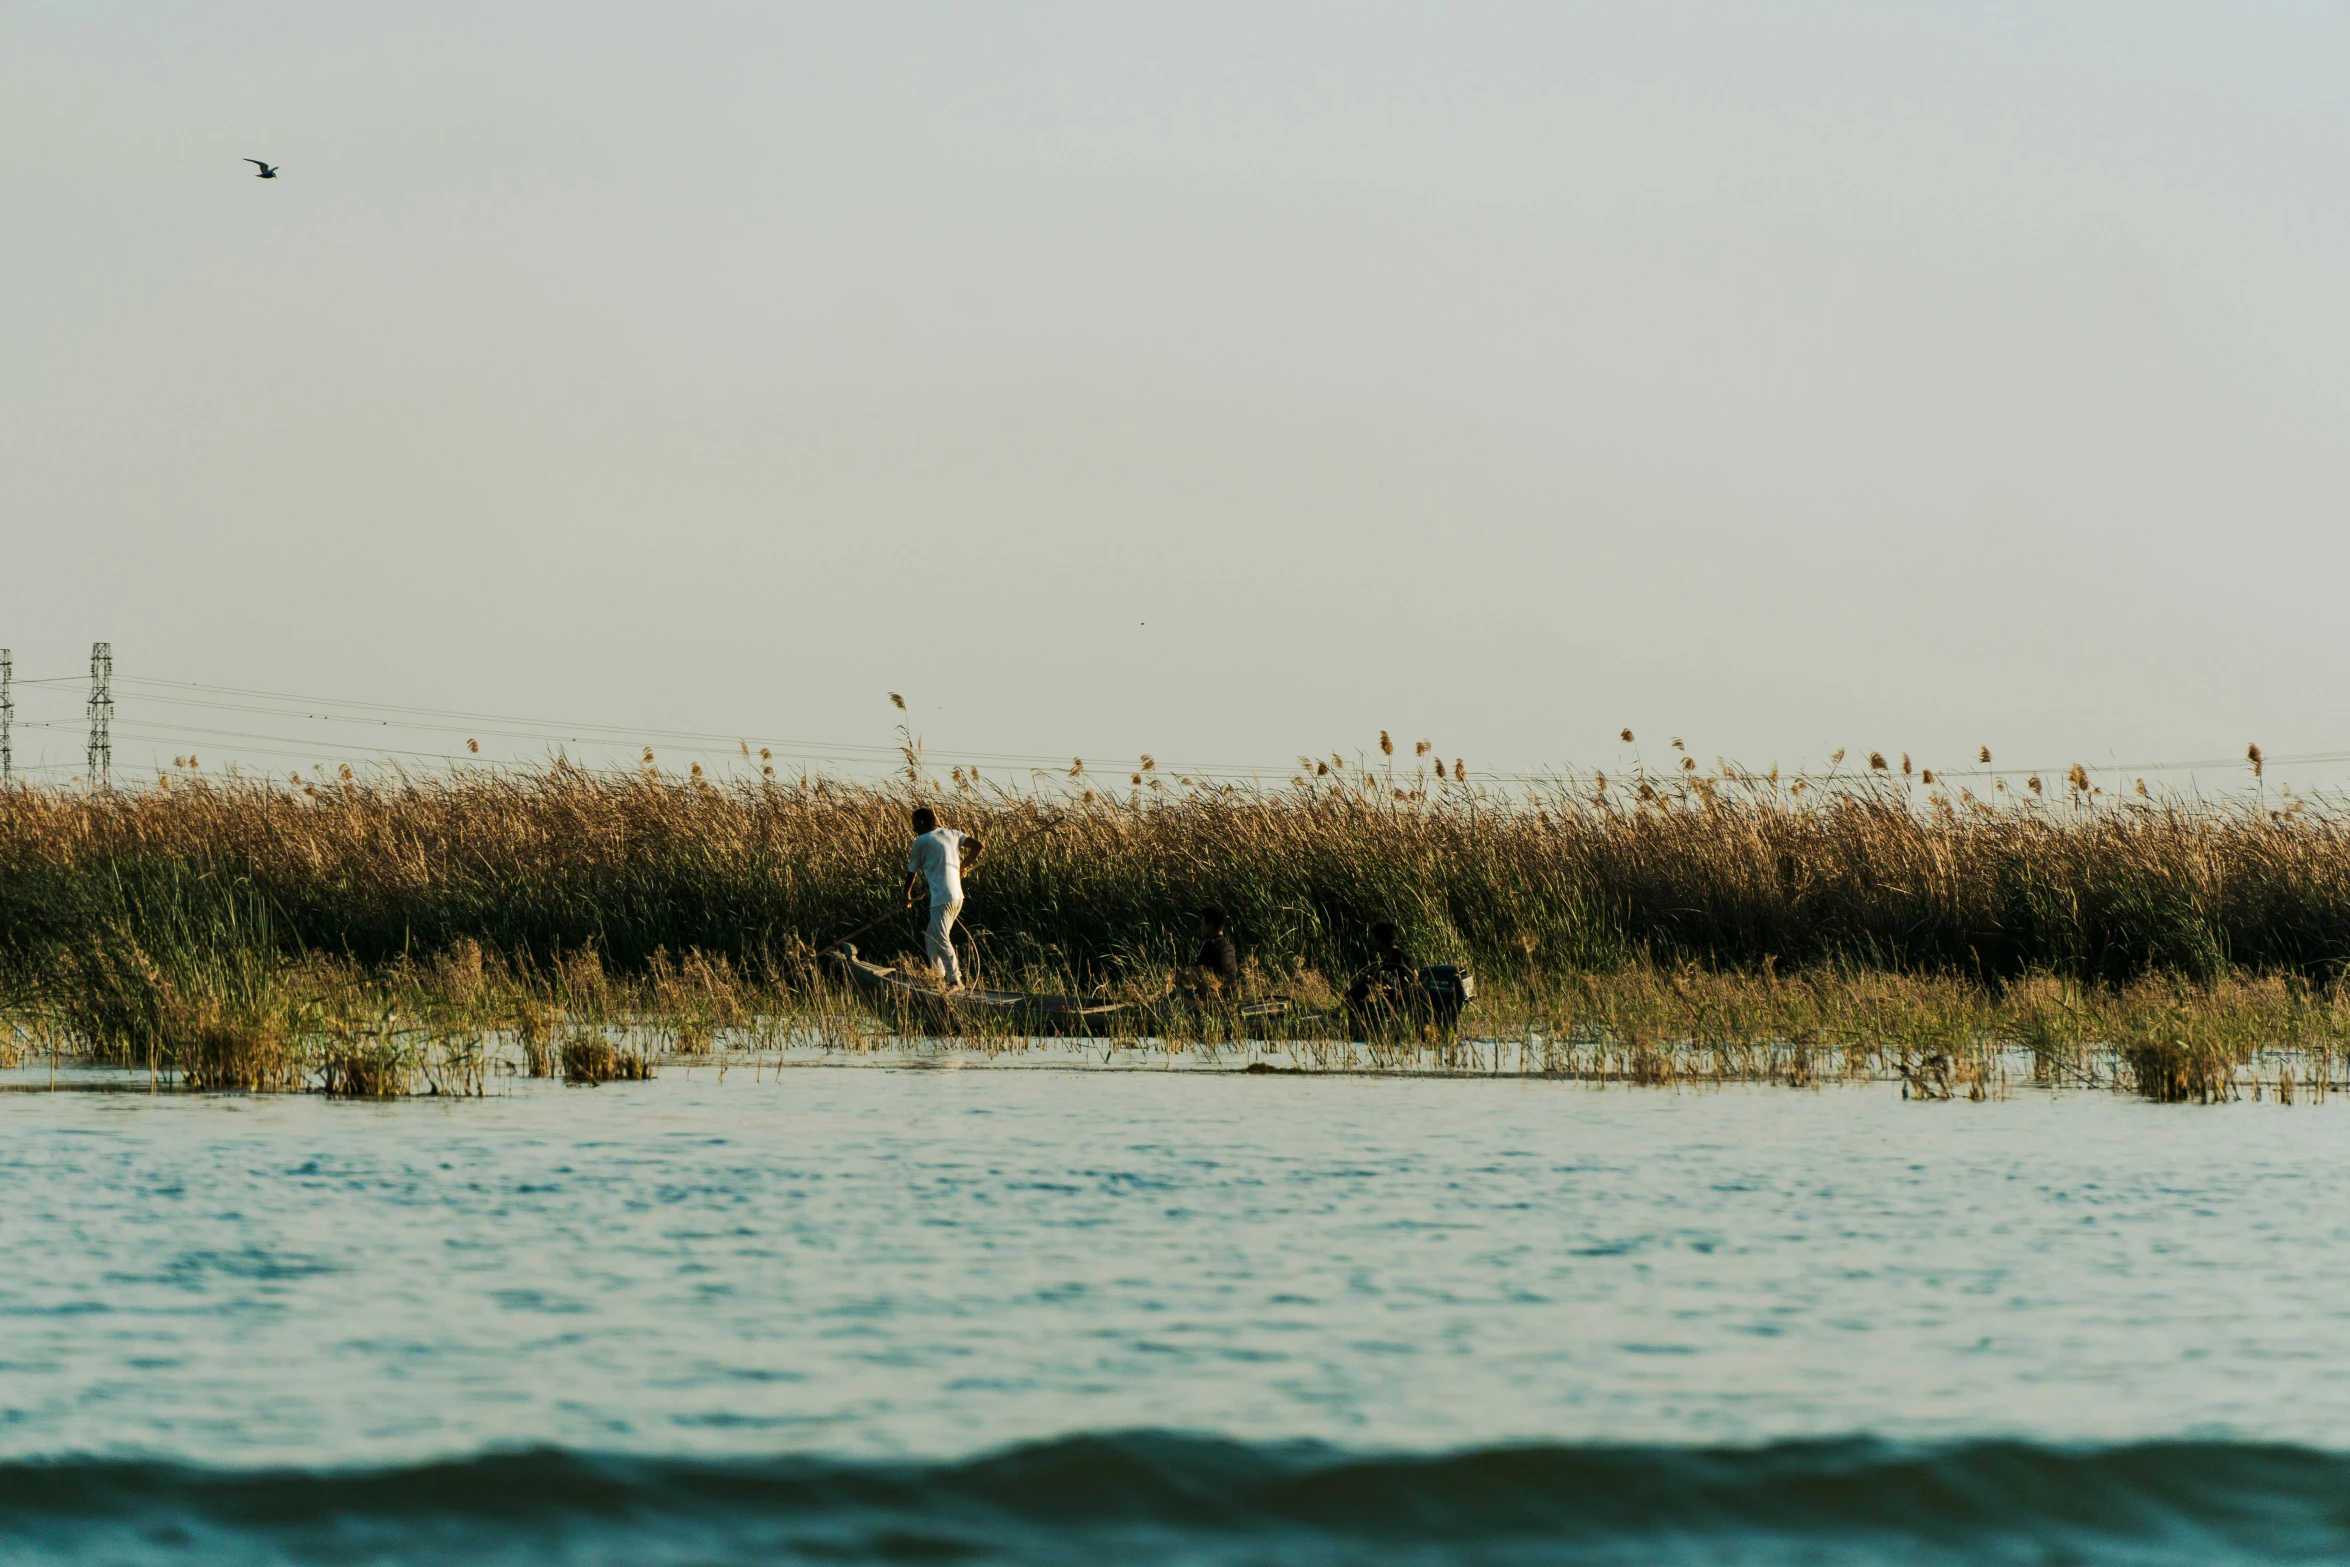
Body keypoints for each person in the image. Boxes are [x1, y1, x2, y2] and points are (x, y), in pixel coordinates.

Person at [901, 806, 983, 987]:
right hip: (957, 896)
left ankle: (955, 980)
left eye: (914, 824)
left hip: (942, 898)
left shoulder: (921, 841)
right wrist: (963, 866)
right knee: (931, 937)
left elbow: (911, 872)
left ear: (922, 823)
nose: (913, 828)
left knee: (940, 938)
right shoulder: (952, 833)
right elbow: (978, 846)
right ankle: (937, 977)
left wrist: (906, 895)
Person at [1346, 921, 1420, 1021]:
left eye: (1374, 939)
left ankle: (1350, 1007)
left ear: (1379, 940)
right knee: (1371, 975)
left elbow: (1416, 983)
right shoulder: (1389, 958)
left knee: (1360, 1011)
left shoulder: (1403, 958)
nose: (1372, 942)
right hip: (1392, 1002)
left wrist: (1395, 990)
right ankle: (1348, 1004)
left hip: (1403, 1005)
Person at [1191, 906, 1240, 997]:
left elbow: (1195, 973)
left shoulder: (1209, 945)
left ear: (1210, 925)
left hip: (1217, 996)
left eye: (1202, 924)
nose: (1201, 928)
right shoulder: (1229, 945)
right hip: (1233, 994)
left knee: (1177, 995)